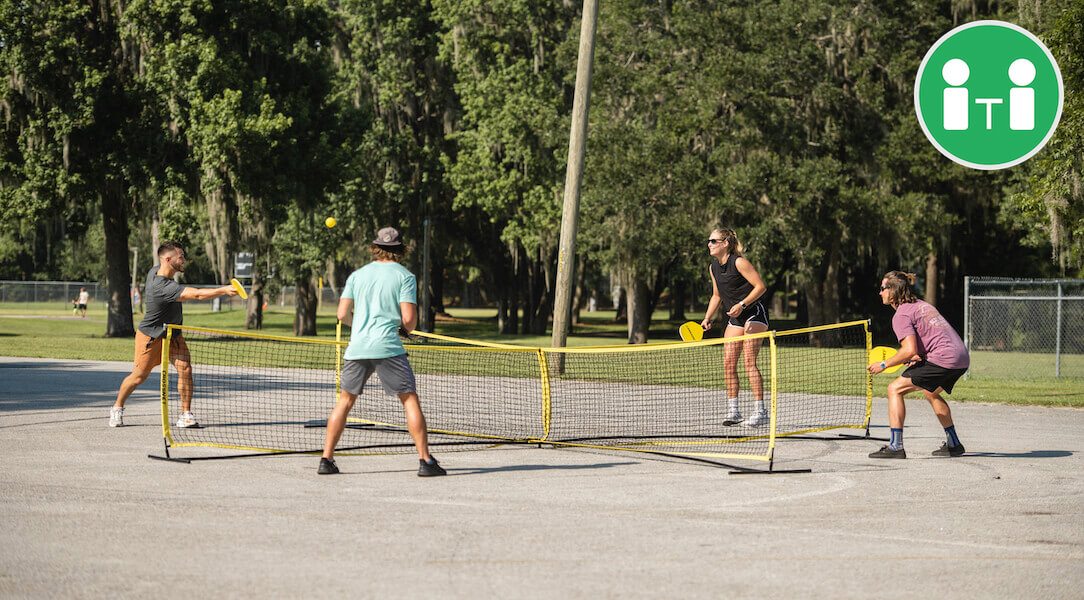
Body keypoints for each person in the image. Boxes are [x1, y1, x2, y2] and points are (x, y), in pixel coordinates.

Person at [319, 227, 446, 477]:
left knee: (344, 402)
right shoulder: (405, 276)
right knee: (409, 400)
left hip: (358, 346)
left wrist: (361, 328)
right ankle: (425, 461)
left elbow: (342, 314)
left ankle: (326, 459)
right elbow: (409, 319)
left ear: (375, 247)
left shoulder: (357, 275)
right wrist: (404, 330)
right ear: (400, 250)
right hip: (388, 345)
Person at [109, 241, 238, 428]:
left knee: (185, 368)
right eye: (181, 257)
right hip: (151, 337)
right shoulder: (161, 286)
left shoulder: (156, 269)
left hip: (173, 334)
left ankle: (186, 414)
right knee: (138, 376)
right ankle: (117, 407)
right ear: (168, 260)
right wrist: (224, 290)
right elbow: (198, 295)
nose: (184, 260)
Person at [867, 271, 969, 459]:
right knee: (931, 391)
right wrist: (919, 355)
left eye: (882, 288)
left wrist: (883, 365)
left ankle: (896, 447)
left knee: (894, 389)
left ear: (893, 290)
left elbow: (908, 350)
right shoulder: (922, 305)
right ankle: (954, 444)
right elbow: (927, 341)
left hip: (943, 358)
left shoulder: (902, 314)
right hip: (961, 358)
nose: (880, 292)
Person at [700, 227, 770, 427]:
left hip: (754, 313)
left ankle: (761, 411)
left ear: (725, 243)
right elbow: (717, 295)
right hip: (735, 318)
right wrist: (707, 317)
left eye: (713, 241)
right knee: (729, 364)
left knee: (749, 362)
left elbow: (760, 287)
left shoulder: (739, 262)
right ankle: (734, 411)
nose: (709, 244)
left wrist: (742, 305)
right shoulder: (713, 267)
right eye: (709, 241)